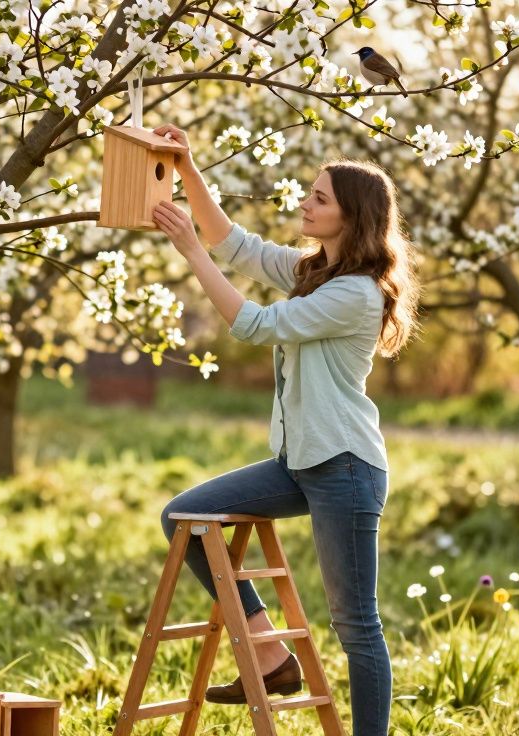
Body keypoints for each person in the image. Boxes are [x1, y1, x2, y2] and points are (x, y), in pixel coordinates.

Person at [148, 122, 420, 736]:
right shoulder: (315, 271)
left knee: (356, 626)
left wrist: (191, 252)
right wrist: (188, 167)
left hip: (345, 467)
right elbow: (236, 245)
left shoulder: (355, 294)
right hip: (298, 464)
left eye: (320, 198)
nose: (305, 201)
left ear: (352, 218)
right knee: (185, 519)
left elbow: (254, 324)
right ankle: (271, 657)